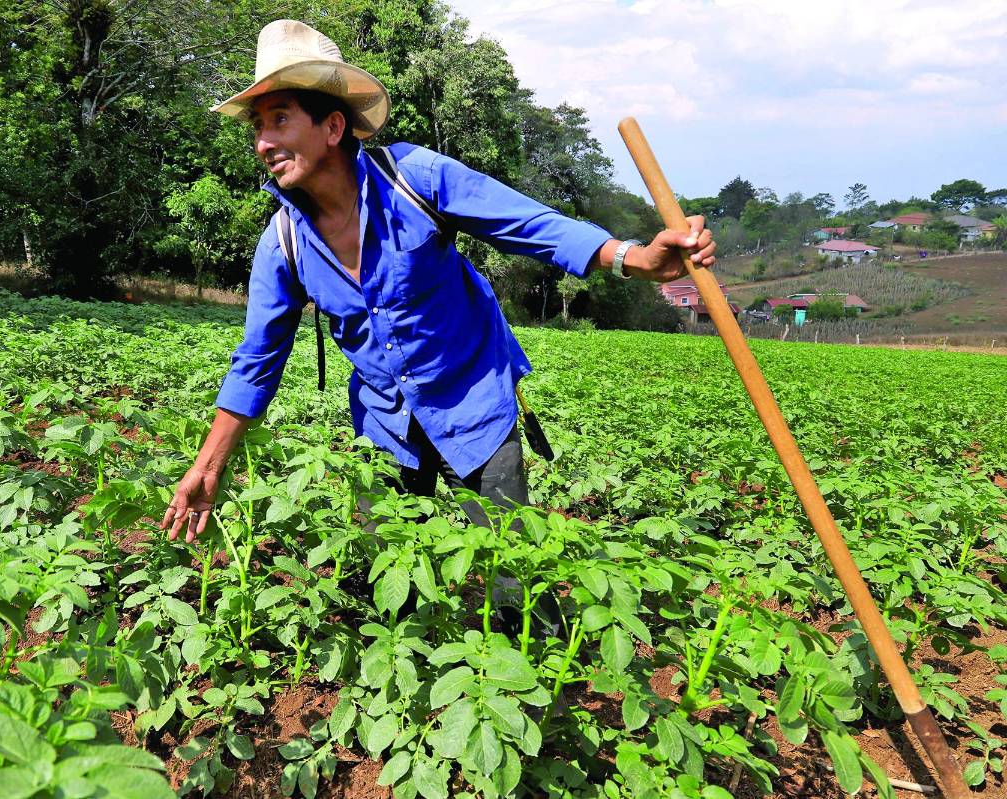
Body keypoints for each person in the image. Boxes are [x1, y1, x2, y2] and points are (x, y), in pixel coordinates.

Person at [161, 19, 715, 544]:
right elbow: (257, 360)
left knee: (514, 575)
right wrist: (209, 465)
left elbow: (530, 225)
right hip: (384, 424)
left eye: (279, 119)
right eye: (258, 126)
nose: (262, 141)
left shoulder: (414, 178)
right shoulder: (283, 243)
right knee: (384, 584)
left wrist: (635, 259)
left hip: (473, 403)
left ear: (332, 127)